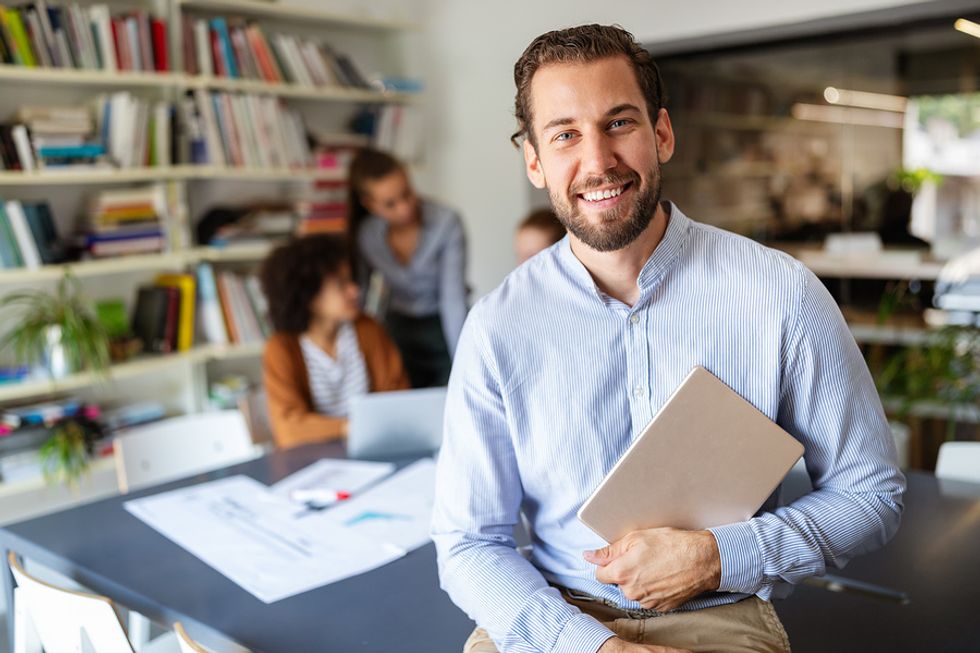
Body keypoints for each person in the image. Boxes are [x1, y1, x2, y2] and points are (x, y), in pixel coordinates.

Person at [432, 24, 905, 653]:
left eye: (619, 123)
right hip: (552, 615)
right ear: (535, 162)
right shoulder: (496, 327)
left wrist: (716, 556)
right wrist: (591, 647)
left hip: (721, 609)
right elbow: (468, 542)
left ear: (662, 134)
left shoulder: (781, 294)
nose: (597, 161)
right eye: (565, 134)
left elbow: (870, 494)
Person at [260, 234, 409, 449]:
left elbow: (399, 402)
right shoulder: (281, 348)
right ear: (308, 296)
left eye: (351, 280)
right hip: (312, 461)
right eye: (341, 284)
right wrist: (353, 427)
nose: (354, 290)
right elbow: (289, 430)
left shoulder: (369, 330)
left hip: (374, 449)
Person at [347, 148, 468, 388]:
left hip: (443, 326)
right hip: (398, 329)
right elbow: (359, 298)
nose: (404, 208)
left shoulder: (447, 222)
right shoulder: (366, 235)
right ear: (370, 204)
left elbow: (452, 300)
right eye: (390, 204)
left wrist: (464, 363)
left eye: (407, 194)